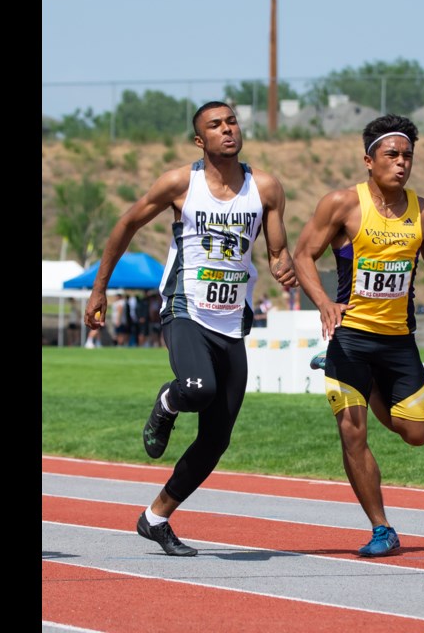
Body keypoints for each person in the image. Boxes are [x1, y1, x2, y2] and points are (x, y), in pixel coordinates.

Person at [84, 101, 298, 556]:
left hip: (232, 320)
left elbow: (278, 250)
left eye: (232, 122)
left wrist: (284, 267)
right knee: (196, 388)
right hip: (185, 307)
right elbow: (127, 223)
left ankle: (155, 517)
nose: (227, 130)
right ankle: (168, 399)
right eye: (215, 126)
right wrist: (99, 289)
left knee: (216, 438)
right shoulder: (183, 182)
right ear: (200, 140)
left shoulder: (265, 187)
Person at [291, 114, 424, 557]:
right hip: (351, 338)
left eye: (408, 156)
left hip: (398, 340)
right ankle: (382, 527)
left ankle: (371, 390)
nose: (401, 164)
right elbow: (303, 255)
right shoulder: (343, 205)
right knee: (353, 432)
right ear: (369, 160)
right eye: (392, 155)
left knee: (417, 432)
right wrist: (325, 302)